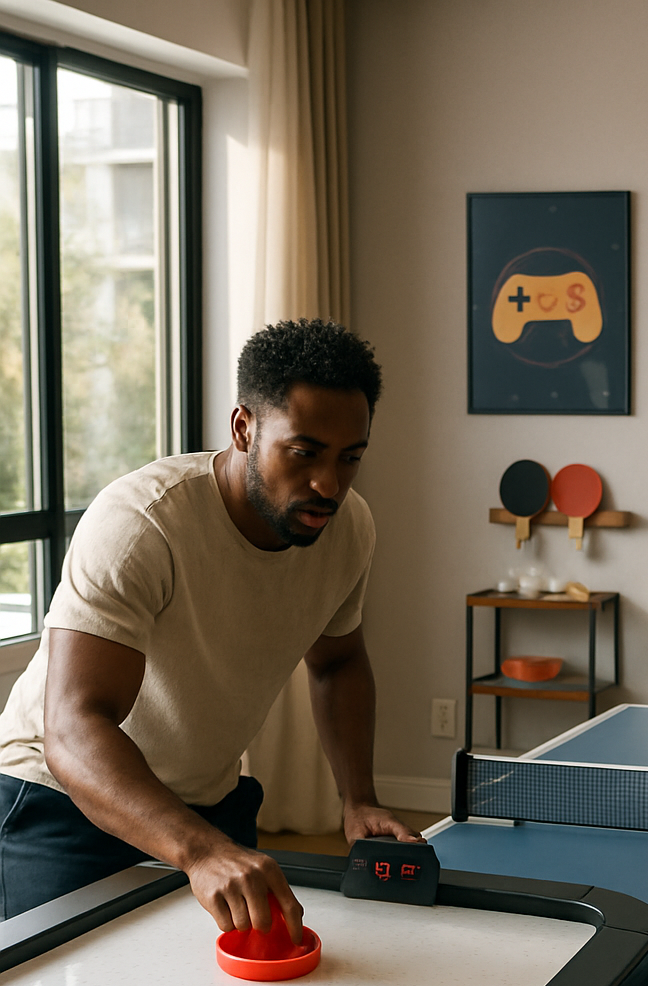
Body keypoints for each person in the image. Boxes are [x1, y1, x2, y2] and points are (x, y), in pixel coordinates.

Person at [0, 317, 420, 935]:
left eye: (349, 457)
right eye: (304, 453)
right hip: (62, 800)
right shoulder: (141, 524)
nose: (328, 484)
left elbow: (338, 662)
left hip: (210, 800)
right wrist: (201, 852)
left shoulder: (347, 528)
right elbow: (73, 726)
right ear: (244, 428)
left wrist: (357, 799)